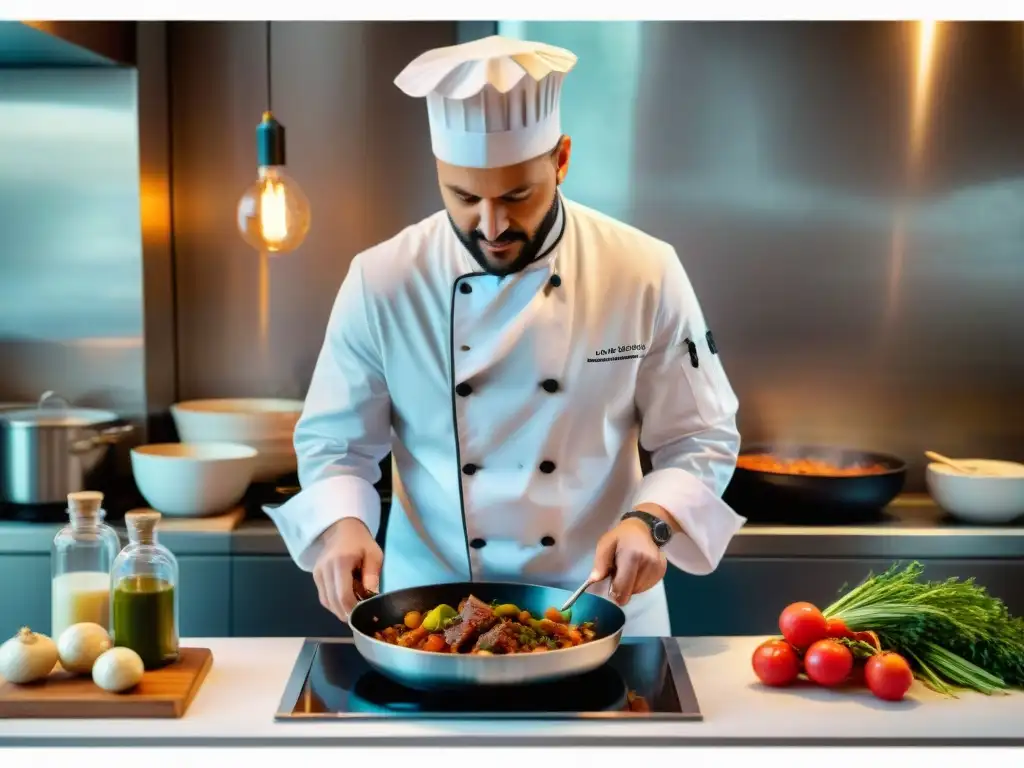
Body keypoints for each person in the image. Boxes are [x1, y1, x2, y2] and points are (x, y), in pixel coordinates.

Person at [266, 34, 746, 637]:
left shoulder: (642, 270)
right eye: (463, 197)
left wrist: (651, 521)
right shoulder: (383, 278)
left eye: (517, 195)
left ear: (561, 159)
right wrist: (343, 526)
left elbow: (701, 433)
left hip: (601, 606)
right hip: (429, 620)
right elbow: (336, 445)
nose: (491, 226)